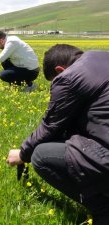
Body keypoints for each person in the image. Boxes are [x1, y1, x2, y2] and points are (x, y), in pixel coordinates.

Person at [6, 44, 109, 225]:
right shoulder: (101, 57)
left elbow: (50, 126)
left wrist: (22, 154)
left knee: (41, 156)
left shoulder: (68, 77)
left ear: (60, 70)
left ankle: (104, 211)